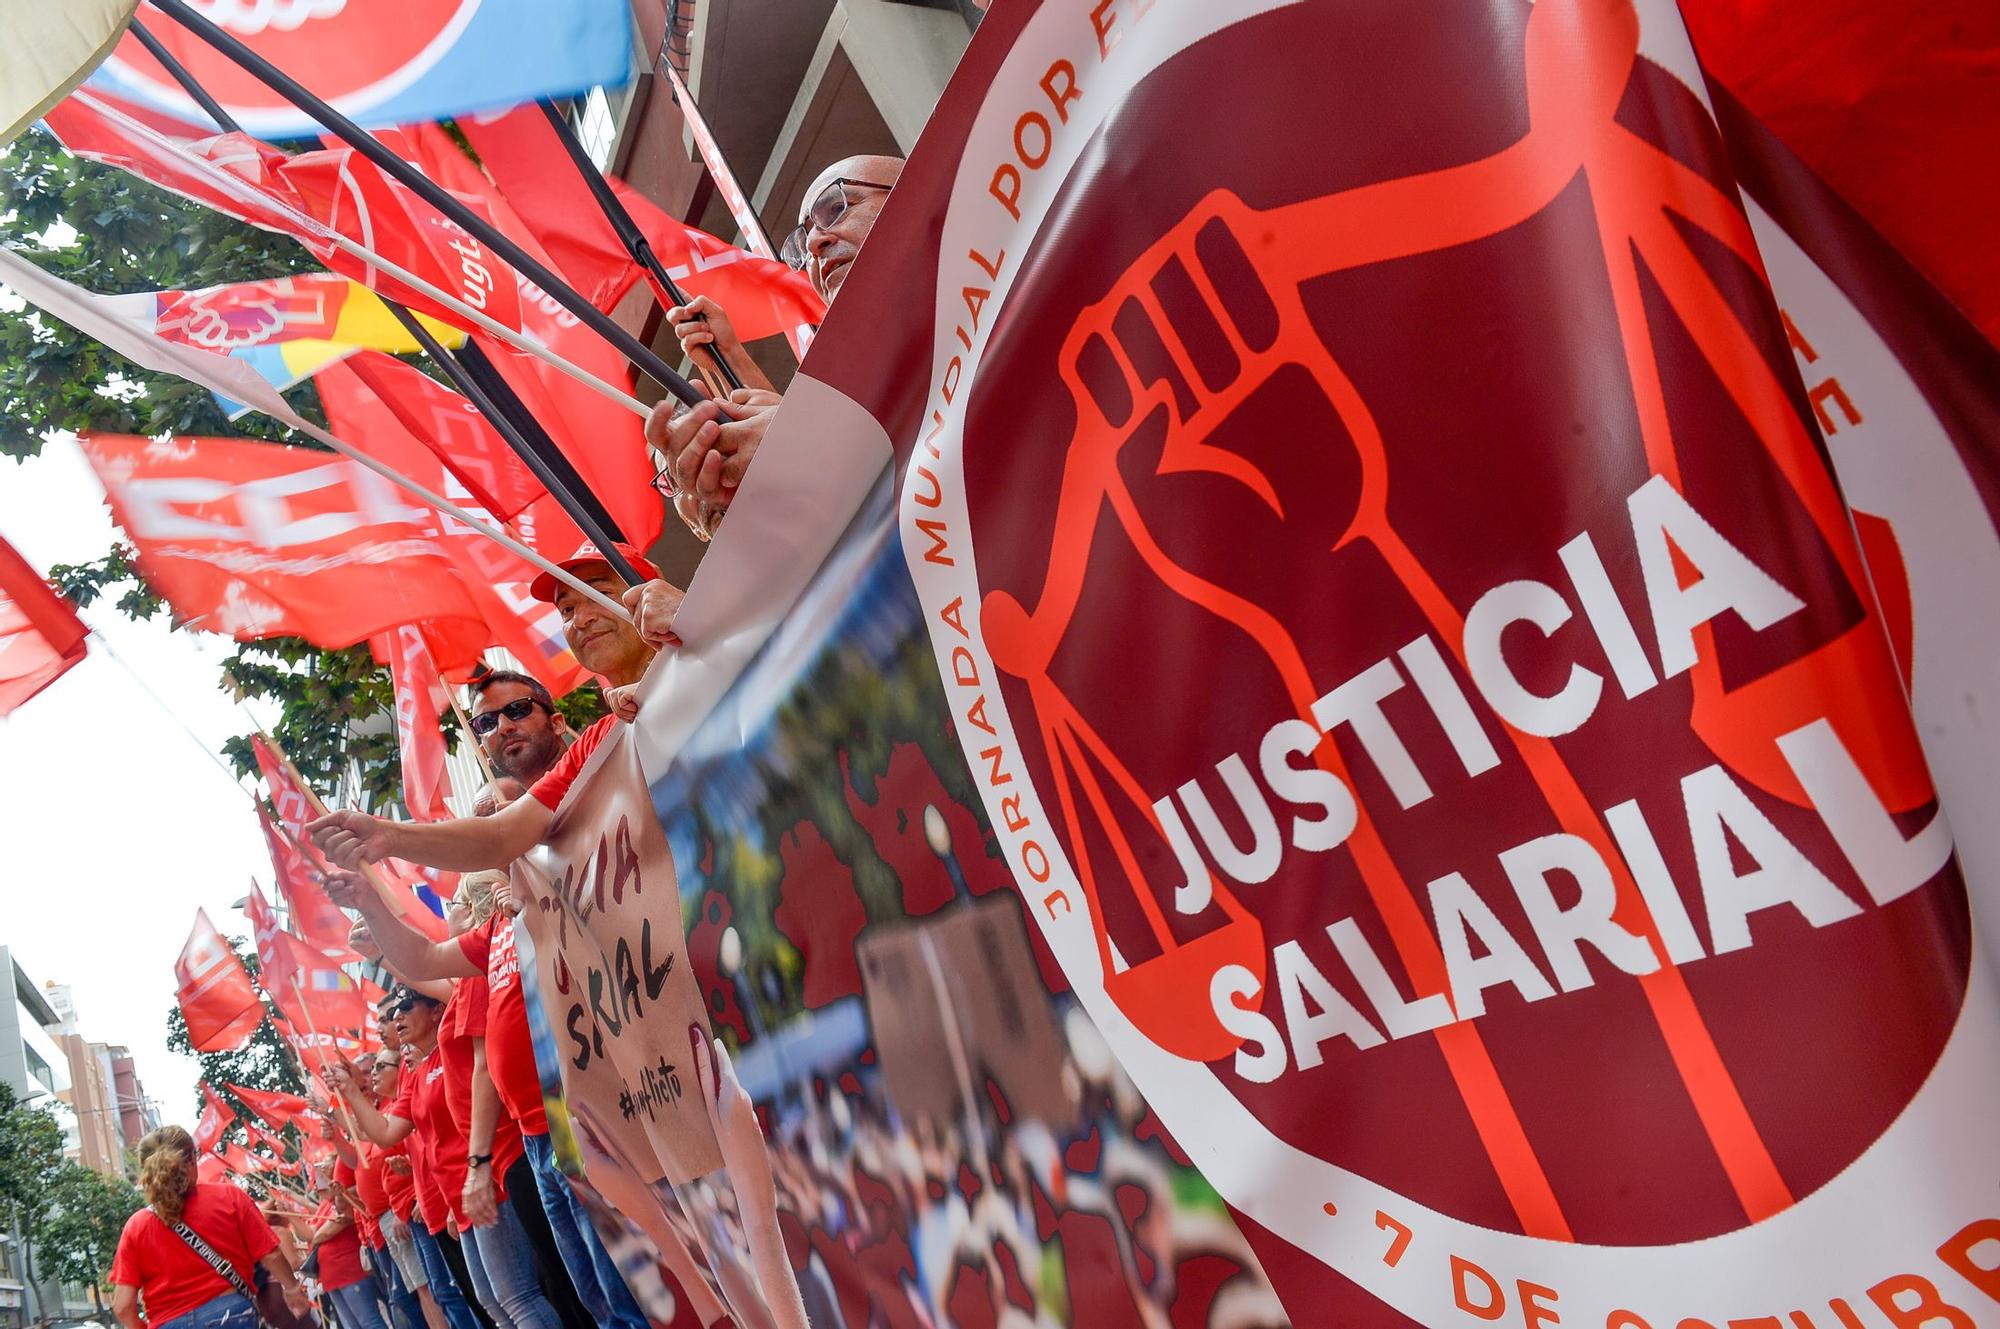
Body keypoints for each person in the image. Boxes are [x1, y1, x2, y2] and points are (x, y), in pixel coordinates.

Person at [322, 864, 654, 1329]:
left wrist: (476, 1163)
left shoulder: (511, 926)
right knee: (582, 1282)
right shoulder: (483, 953)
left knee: (601, 1272)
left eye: (453, 905)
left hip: (559, 1115)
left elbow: (480, 1066)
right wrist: (375, 922)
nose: (447, 914)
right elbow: (423, 959)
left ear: (476, 905)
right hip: (532, 1134)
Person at [307, 543, 681, 874]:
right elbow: (502, 835)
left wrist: (694, 628)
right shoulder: (597, 745)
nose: (581, 619)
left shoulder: (720, 645)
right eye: (566, 609)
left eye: (599, 594)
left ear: (649, 593)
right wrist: (387, 835)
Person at [649, 155, 907, 528]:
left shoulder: (1002, 279)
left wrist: (804, 440)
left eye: (836, 208)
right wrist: (729, 357)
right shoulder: (858, 378)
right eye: (802, 243)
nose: (815, 243)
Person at [331, 984, 561, 1329]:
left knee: (519, 1298)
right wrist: (350, 1092)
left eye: (406, 1006)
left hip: (489, 1186)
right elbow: (384, 1131)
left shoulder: (456, 1045)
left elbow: (436, 970)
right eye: (394, 1013)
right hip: (459, 1202)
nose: (397, 1017)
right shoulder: (418, 1074)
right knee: (493, 1306)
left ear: (437, 1010)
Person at [110, 1126, 312, 1329]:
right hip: (230, 1314)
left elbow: (122, 1306)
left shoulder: (135, 1227)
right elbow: (271, 1255)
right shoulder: (229, 1197)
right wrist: (293, 1289)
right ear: (191, 1158)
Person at [310, 1177, 392, 1329]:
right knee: (354, 1326)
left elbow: (319, 1236)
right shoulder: (325, 1206)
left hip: (350, 1271)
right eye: (314, 1183)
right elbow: (312, 1234)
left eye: (319, 1181)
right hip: (332, 1278)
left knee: (369, 1322)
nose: (316, 1187)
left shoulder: (343, 1201)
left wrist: (315, 1238)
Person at [464, 672, 570, 786]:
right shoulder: (518, 803)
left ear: (556, 724)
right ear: (485, 753)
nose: (504, 727)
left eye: (517, 710)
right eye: (486, 722)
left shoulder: (591, 764)